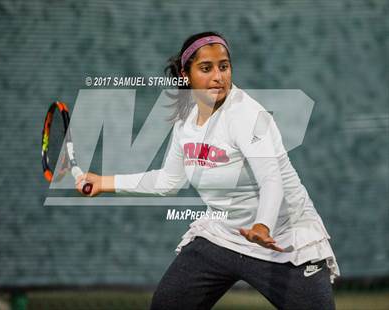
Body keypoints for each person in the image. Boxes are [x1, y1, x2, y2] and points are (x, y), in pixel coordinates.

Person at [76, 31, 340, 310]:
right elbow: (168, 181)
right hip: (225, 235)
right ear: (185, 74)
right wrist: (104, 182)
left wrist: (262, 226)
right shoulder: (186, 122)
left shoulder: (247, 115)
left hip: (283, 241)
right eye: (206, 68)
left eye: (224, 66)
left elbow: (271, 180)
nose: (218, 76)